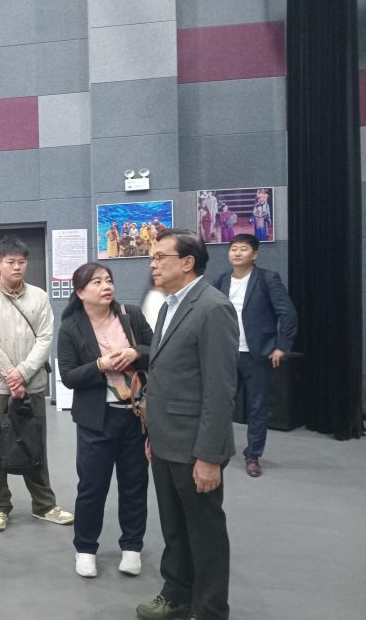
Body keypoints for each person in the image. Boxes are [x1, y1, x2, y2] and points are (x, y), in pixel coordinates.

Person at [136, 229, 238, 620]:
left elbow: (219, 389)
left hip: (196, 445)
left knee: (205, 532)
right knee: (174, 528)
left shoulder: (213, 308)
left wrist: (209, 456)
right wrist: (152, 431)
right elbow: (164, 373)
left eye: (160, 257)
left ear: (188, 262)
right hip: (165, 441)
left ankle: (210, 609)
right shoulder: (169, 307)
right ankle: (177, 592)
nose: (153, 264)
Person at [0, 236, 73, 532]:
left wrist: (23, 373)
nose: (17, 267)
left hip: (32, 384)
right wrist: (10, 374)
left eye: (21, 262)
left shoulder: (39, 297)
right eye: (11, 262)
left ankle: (44, 504)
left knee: (34, 443)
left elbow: (45, 337)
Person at [57, 262, 153, 579]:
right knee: (92, 487)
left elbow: (156, 350)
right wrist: (99, 365)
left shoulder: (130, 315)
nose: (106, 286)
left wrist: (135, 353)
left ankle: (132, 547)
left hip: (135, 416)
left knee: (134, 485)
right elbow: (69, 376)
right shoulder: (71, 327)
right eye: (96, 282)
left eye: (108, 280)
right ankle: (85, 549)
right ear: (80, 292)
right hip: (96, 421)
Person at [215, 234, 297, 477]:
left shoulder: (267, 278)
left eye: (243, 249)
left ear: (255, 254)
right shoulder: (221, 280)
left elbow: (287, 314)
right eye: (233, 249)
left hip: (257, 355)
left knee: (257, 408)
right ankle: (217, 449)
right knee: (220, 405)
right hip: (227, 353)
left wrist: (281, 346)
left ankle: (253, 456)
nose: (237, 253)